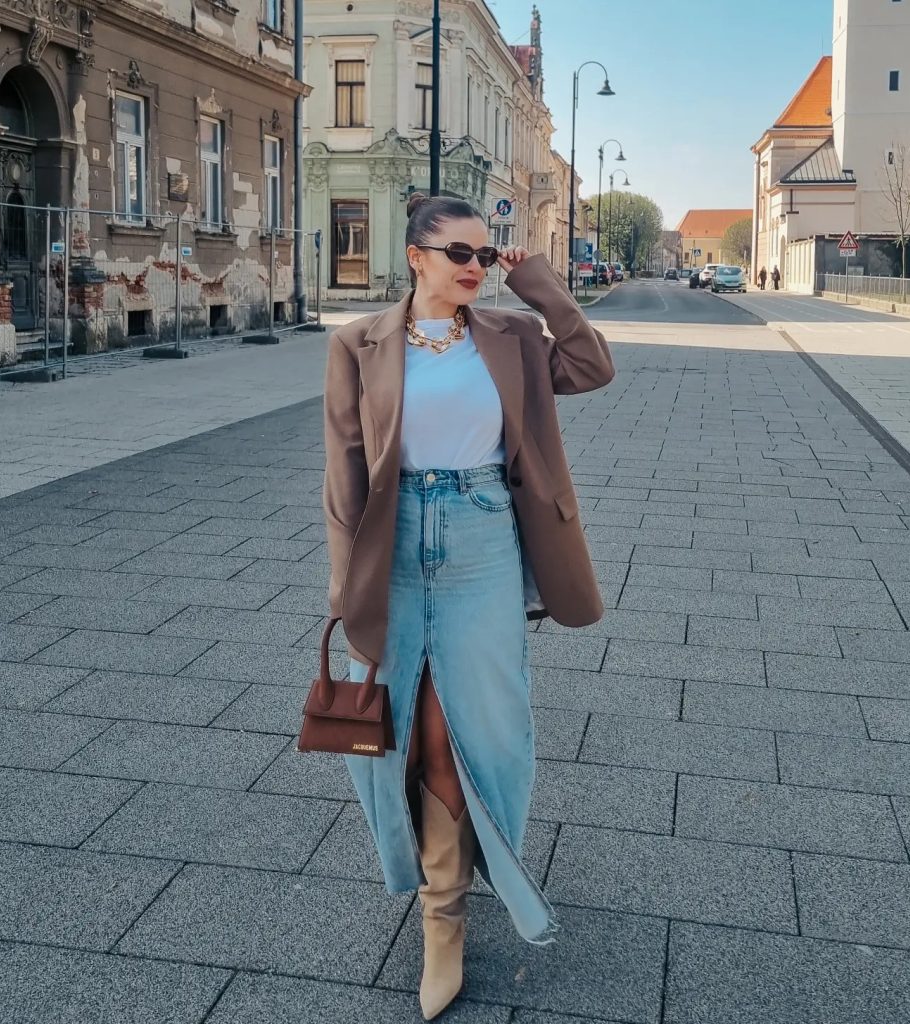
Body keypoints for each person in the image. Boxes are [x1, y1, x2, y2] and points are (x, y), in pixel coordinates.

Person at [322, 193, 615, 1020]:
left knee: (471, 728)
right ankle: (427, 881)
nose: (476, 268)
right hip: (395, 539)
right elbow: (344, 478)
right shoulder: (358, 344)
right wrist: (347, 589)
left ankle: (443, 922)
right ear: (415, 255)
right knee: (390, 728)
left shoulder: (513, 337)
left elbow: (593, 366)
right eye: (459, 253)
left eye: (486, 254)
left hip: (485, 536)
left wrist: (542, 288)